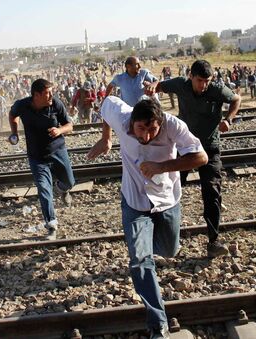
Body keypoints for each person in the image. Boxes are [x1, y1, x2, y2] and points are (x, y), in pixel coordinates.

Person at [87, 97, 208, 338]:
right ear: (132, 123)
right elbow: (105, 104)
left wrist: (160, 167)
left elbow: (201, 157)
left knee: (169, 250)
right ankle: (157, 323)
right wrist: (106, 138)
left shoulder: (173, 126)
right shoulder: (121, 116)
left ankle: (145, 244)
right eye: (141, 129)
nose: (147, 136)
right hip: (135, 201)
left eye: (153, 129)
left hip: (166, 200)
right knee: (140, 260)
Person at [144, 59, 241, 258]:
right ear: (191, 77)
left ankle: (214, 241)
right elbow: (160, 85)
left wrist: (228, 119)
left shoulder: (217, 89)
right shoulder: (181, 84)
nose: (203, 85)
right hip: (185, 148)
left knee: (212, 190)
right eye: (199, 81)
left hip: (209, 148)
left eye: (207, 81)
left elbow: (236, 99)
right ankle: (162, 241)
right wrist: (155, 86)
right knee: (169, 188)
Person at [8, 79, 75, 240]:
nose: (51, 95)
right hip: (37, 157)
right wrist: (14, 132)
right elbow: (12, 115)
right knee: (44, 189)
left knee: (69, 182)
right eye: (47, 93)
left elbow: (70, 125)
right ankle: (51, 225)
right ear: (36, 95)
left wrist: (59, 130)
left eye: (52, 91)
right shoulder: (22, 105)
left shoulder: (55, 104)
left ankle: (62, 189)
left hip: (58, 151)